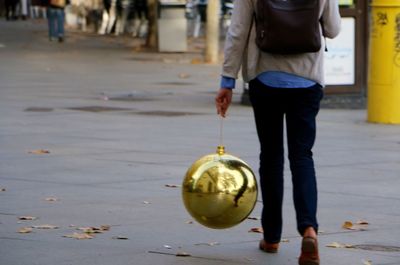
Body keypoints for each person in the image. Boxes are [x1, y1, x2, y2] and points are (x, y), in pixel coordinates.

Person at [215, 0, 341, 264]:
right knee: (302, 157)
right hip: (307, 80)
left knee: (271, 158)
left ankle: (271, 237)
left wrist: (228, 80)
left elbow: (238, 30)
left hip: (265, 79)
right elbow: (333, 28)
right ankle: (309, 229)